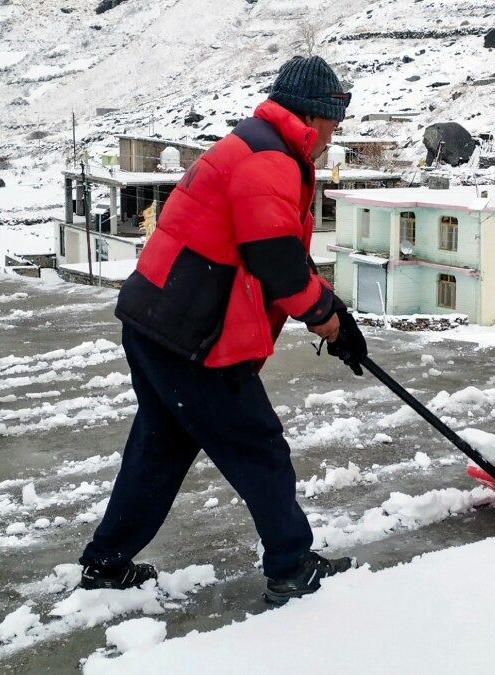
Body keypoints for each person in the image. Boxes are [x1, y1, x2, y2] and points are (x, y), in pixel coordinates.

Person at [77, 55, 367, 605]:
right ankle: (290, 567)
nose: (334, 136)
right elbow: (276, 261)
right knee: (258, 447)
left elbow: (273, 247)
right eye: (334, 122)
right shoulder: (270, 160)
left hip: (155, 322)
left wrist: (330, 311)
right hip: (193, 337)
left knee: (159, 447)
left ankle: (106, 564)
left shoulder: (256, 143)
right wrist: (328, 318)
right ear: (315, 116)